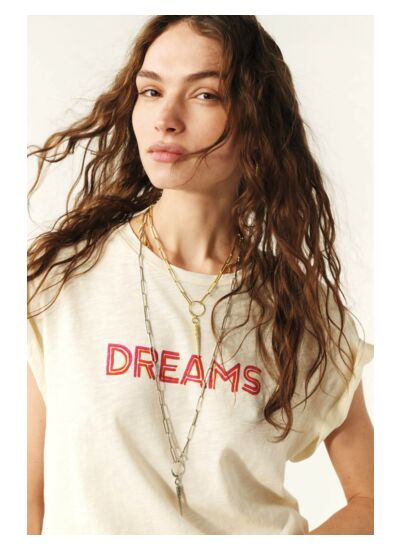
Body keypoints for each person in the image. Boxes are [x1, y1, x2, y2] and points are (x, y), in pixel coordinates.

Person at [27, 15, 374, 535]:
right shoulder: (61, 278)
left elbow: (376, 500)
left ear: (256, 117)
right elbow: (23, 501)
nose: (165, 118)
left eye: (205, 95)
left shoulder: (300, 309)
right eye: (151, 91)